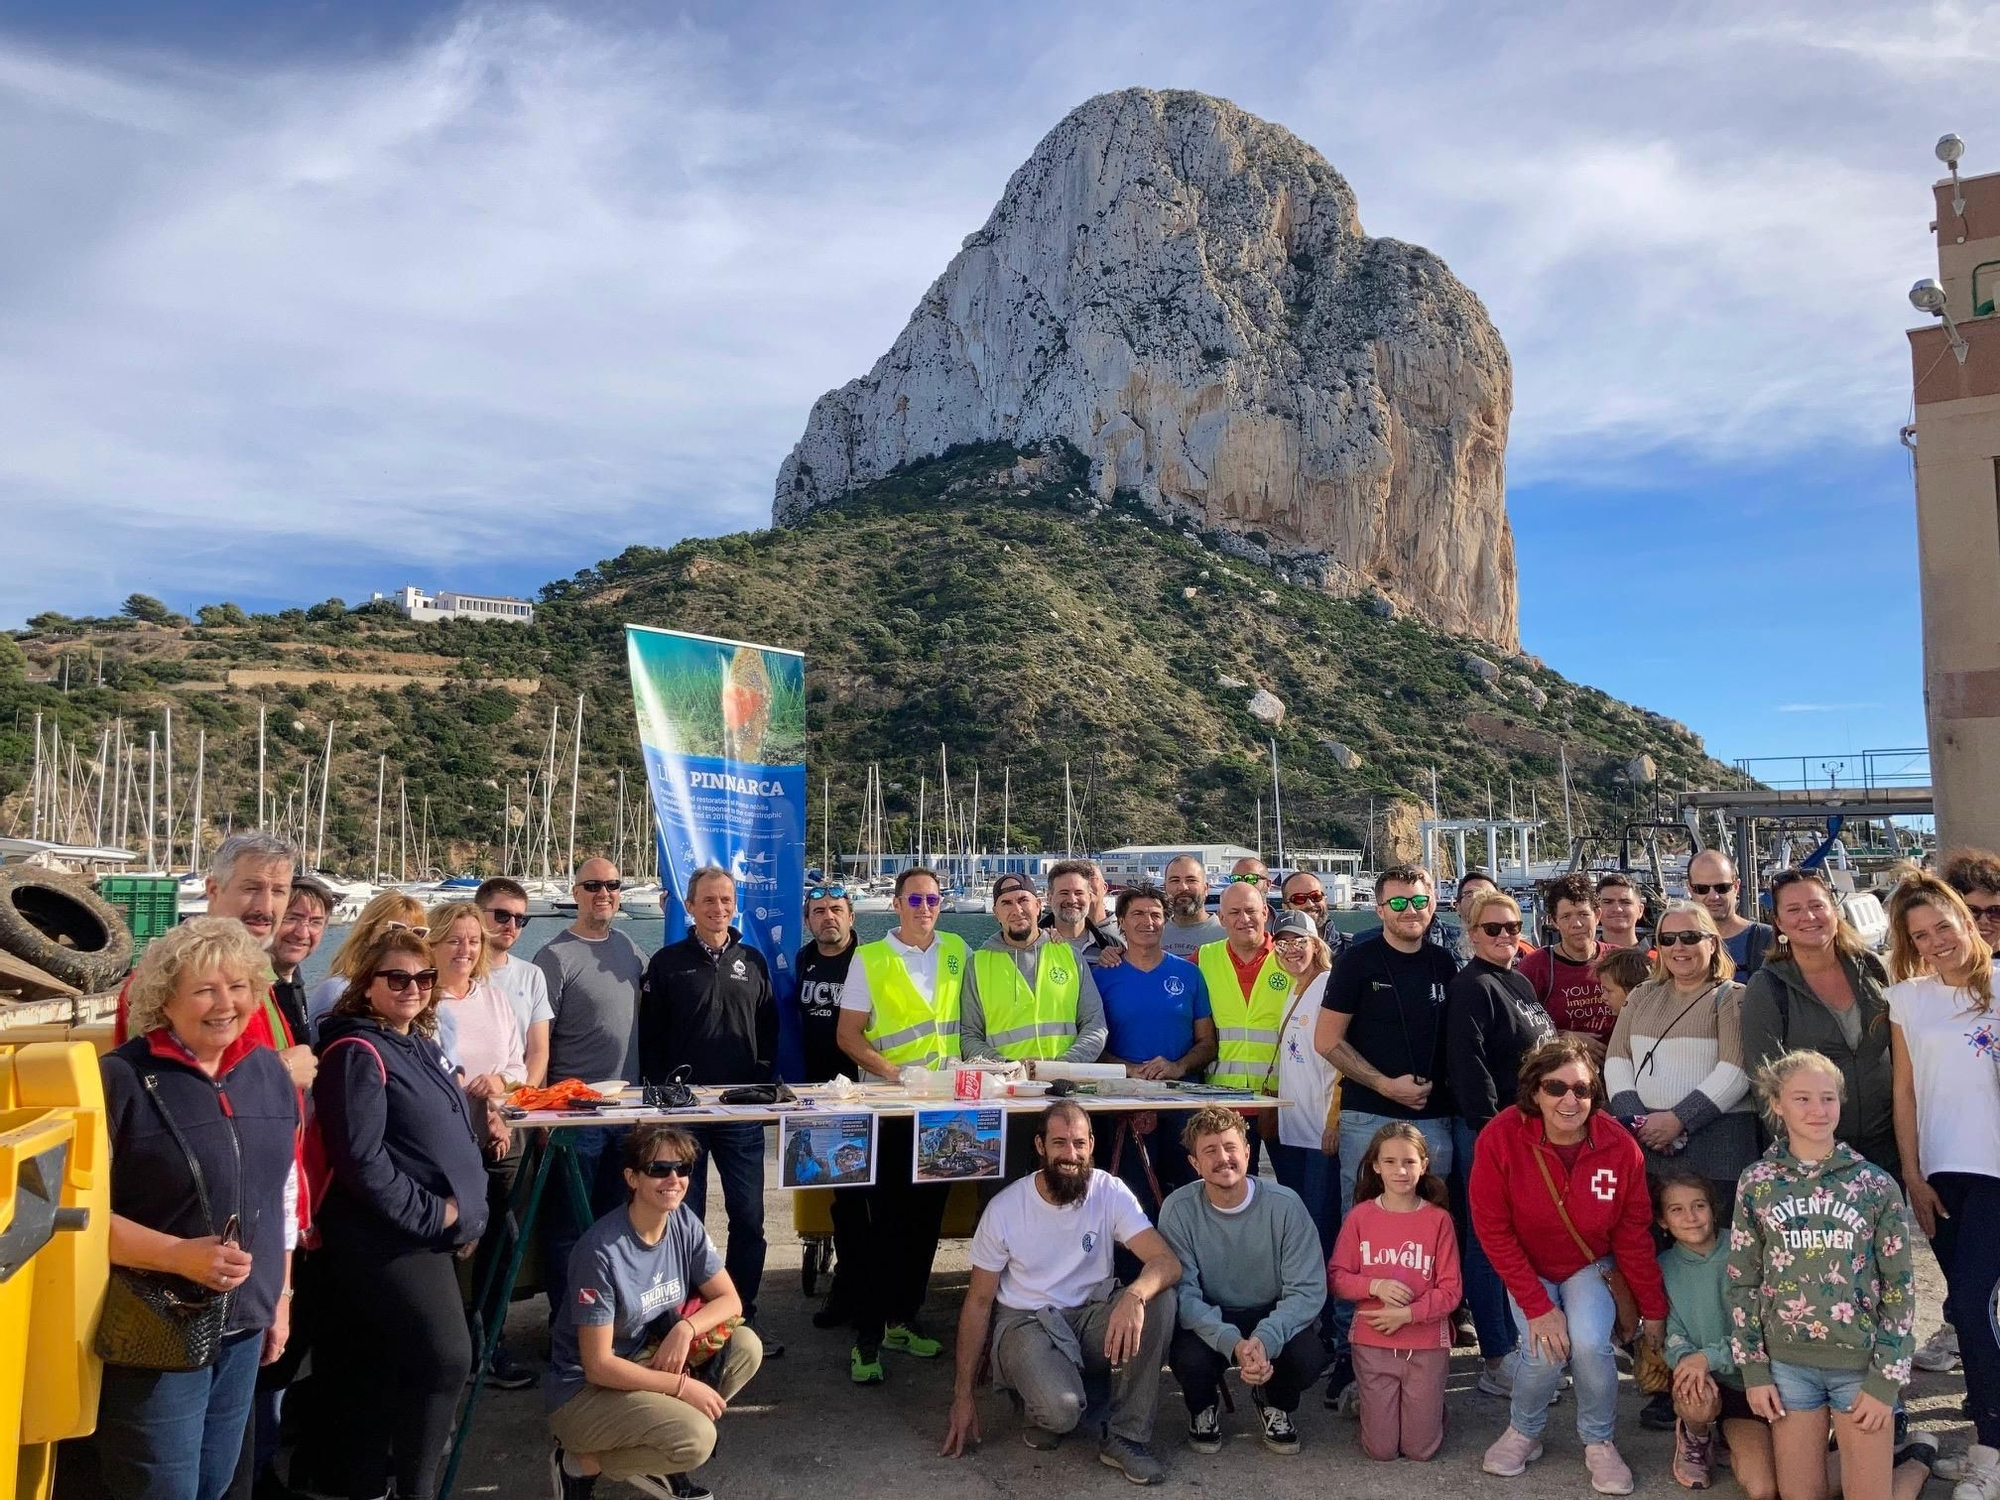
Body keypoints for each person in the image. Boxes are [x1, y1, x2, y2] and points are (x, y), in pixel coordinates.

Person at [93, 919, 298, 1500]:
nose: (224, 1004)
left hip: (245, 1323)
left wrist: (280, 1299)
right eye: (204, 990)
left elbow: (282, 1193)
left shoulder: (266, 1074)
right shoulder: (122, 1079)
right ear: (167, 999)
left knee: (215, 1485)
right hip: (157, 1325)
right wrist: (179, 1255)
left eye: (237, 987)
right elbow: (77, 1213)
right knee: (161, 1487)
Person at [313, 926, 489, 1500]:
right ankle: (417, 1490)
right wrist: (434, 1215)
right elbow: (361, 1160)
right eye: (397, 979)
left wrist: (467, 1213)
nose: (412, 988)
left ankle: (363, 1482)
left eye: (423, 978)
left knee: (382, 1363)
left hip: (429, 1233)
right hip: (389, 1237)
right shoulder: (356, 1051)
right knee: (447, 1357)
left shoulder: (417, 1041)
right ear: (367, 986)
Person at [940, 1102, 1182, 1486]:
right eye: (1059, 1143)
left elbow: (1166, 1262)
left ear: (1091, 1145)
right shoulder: (1005, 1209)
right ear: (1039, 1145)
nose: (1070, 1155)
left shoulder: (1109, 1191)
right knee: (1063, 1411)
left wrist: (1135, 1295)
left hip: (1090, 1315)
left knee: (1160, 1298)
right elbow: (978, 1303)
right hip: (1028, 1322)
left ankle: (1126, 1437)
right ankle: (1048, 1401)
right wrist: (962, 1395)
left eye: (1078, 1143)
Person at [1657, 1167, 1935, 1499]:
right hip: (1729, 1389)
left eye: (1698, 1205)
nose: (1690, 1216)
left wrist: (1710, 1355)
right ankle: (1700, 1436)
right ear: (1662, 1220)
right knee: (1763, 1488)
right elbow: (1668, 1332)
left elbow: (1764, 1322)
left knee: (1833, 1485)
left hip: (1773, 1376)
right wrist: (1690, 1360)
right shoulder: (1663, 1267)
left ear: (1713, 1208)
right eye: (1677, 1209)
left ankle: (1909, 1459)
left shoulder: (1743, 1247)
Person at [1469, 1037, 1666, 1494]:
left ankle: (1598, 1441)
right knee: (1541, 1350)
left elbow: (1633, 1232)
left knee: (1591, 1344)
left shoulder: (1619, 1146)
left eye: (1581, 1089)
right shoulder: (1501, 1136)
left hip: (1588, 1263)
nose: (1569, 1100)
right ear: (1534, 1091)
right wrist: (1538, 1306)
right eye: (1555, 1087)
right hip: (1527, 1264)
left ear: (1595, 1095)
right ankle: (1524, 1430)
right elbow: (1493, 1231)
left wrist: (1652, 1309)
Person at [1728, 1051, 1913, 1500]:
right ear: (1778, 1105)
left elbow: (1900, 1289)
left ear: (1840, 1103)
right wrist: (1754, 1369)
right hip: (1789, 1367)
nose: (1817, 1110)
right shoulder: (1757, 1183)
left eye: (1827, 1098)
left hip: (1859, 1363)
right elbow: (1742, 1281)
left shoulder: (1874, 1184)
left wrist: (1886, 1377)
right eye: (1803, 1098)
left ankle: (1915, 1465)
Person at [545, 1124, 764, 1500]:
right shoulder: (601, 1252)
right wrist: (681, 1387)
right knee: (696, 1440)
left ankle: (656, 1449)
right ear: (631, 1177)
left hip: (648, 1358)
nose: (674, 1179)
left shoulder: (681, 1221)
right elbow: (597, 1365)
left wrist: (685, 1330)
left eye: (682, 1168)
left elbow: (731, 1301)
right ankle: (579, 1463)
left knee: (745, 1345)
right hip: (584, 1390)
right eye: (659, 1169)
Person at [1313, 864, 1457, 1408]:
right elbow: (1327, 1039)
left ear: (1433, 903)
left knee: (1431, 1236)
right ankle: (1355, 1355)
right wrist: (1382, 1084)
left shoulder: (1446, 962)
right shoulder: (1358, 961)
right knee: (1366, 1236)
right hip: (1370, 1117)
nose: (1409, 912)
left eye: (1418, 901)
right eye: (1397, 904)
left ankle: (1424, 1346)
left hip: (1434, 1120)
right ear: (1379, 909)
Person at [1886, 875, 2000, 1498]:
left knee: (1979, 1310)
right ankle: (1991, 1432)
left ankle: (1991, 1449)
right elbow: (1904, 1091)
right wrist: (1913, 1173)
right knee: (1968, 1305)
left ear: (1965, 918)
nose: (1935, 942)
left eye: (1942, 926)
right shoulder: (1907, 998)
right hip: (1940, 1175)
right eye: (1919, 935)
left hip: (1997, 1173)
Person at [640, 867, 779, 1352]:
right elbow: (650, 1036)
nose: (718, 908)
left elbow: (768, 1028)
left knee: (748, 1218)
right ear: (690, 907)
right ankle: (687, 1318)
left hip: (739, 1112)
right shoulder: (666, 963)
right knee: (684, 1218)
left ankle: (742, 1313)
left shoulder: (753, 961)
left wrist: (760, 1081)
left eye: (726, 900)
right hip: (685, 1112)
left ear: (734, 904)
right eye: (708, 901)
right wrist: (661, 1095)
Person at [835, 866, 959, 1382]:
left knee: (925, 1225)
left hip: (944, 1112)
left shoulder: (958, 950)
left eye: (932, 898)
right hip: (889, 1110)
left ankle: (902, 1321)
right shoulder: (870, 958)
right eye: (914, 900)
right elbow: (848, 1036)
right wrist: (893, 1074)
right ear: (896, 904)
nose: (924, 907)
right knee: (882, 1226)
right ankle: (866, 1338)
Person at [1160, 1107, 1327, 1457]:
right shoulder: (1178, 1209)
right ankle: (1202, 1407)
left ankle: (1274, 1402)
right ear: (1194, 1163)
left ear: (1248, 1153)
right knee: (1187, 1356)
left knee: (1309, 1356)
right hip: (1212, 1312)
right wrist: (1234, 1343)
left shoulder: (1286, 1205)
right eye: (1210, 1151)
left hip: (1271, 1309)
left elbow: (1307, 1290)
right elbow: (1185, 1293)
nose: (1223, 1158)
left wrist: (1265, 1339)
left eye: (1231, 1147)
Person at [1444, 885, 1553, 1392]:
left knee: (1518, 1240)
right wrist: (1492, 1132)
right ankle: (1495, 1354)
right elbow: (1469, 1064)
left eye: (1512, 927)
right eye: (1493, 929)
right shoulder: (1474, 986)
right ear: (1471, 935)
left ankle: (1519, 1340)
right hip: (1491, 1133)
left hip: (1532, 1130)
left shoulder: (1518, 983)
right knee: (1488, 1241)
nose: (1505, 936)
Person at [113, 832, 318, 1093]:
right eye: (251, 888)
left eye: (278, 891)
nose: (266, 907)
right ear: (213, 889)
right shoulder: (169, 975)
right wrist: (281, 1071)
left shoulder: (260, 973)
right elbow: (160, 1090)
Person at [535, 858, 648, 1312]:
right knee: (566, 1228)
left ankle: (607, 1321)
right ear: (576, 892)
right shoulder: (553, 957)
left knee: (614, 1223)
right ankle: (566, 1329)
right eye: (593, 885)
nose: (604, 893)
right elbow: (537, 1043)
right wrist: (541, 1119)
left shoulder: (629, 949)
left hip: (624, 1117)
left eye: (613, 885)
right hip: (574, 1116)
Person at [429, 899, 533, 1391]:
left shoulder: (492, 997)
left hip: (500, 1142)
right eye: (454, 940)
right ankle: (446, 1354)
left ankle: (490, 1343)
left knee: (501, 1241)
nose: (465, 950)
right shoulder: (422, 1001)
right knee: (447, 1249)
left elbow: (517, 1068)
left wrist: (498, 1085)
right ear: (432, 943)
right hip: (445, 1153)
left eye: (473, 941)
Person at [250, 878, 332, 1499]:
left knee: (285, 1341)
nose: (302, 930)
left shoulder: (292, 990)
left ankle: (266, 1461)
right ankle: (253, 1473)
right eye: (294, 916)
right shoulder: (256, 993)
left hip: (296, 1193)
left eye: (315, 922)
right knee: (264, 1347)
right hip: (255, 1197)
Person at [1738, 869, 1897, 1172]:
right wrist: (1800, 1158)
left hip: (1885, 1148)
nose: (1808, 917)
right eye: (1794, 910)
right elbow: (1764, 1082)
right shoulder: (1768, 986)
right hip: (1813, 1154)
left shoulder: (1871, 968)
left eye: (1817, 906)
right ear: (1780, 924)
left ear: (1834, 912)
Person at [1327, 1122, 1461, 1463]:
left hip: (1426, 1344)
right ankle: (1378, 1405)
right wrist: (1374, 1285)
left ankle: (1430, 1409)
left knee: (1419, 1451)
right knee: (1381, 1451)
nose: (1400, 1170)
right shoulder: (1360, 1217)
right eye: (1389, 1162)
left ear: (1424, 1165)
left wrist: (1408, 1313)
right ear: (1375, 1165)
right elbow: (1337, 1278)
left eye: (1409, 1162)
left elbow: (1451, 1290)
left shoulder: (1438, 1221)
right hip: (1373, 1343)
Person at [1604, 901, 1755, 1195]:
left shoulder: (1732, 997)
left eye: (1689, 937)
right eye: (1667, 939)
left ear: (1711, 943)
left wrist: (1679, 1119)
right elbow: (1617, 1059)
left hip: (1717, 1152)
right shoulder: (1642, 994)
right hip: (1648, 1151)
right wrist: (1638, 1122)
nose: (1678, 947)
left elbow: (1735, 1071)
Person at [1922, 847, 2000, 1377]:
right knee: (1970, 1281)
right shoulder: (1926, 987)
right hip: (1950, 1157)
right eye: (1973, 912)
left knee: (1980, 1287)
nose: (1986, 923)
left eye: (1997, 911)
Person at [1093, 883, 1216, 1213]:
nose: (1147, 921)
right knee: (1131, 1199)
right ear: (1120, 921)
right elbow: (1091, 1044)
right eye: (1137, 914)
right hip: (1122, 1103)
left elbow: (1207, 1044)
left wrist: (1177, 1066)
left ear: (1166, 921)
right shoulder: (1101, 976)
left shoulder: (1189, 974)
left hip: (1182, 1103)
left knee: (1191, 1197)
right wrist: (1129, 1070)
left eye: (1156, 914)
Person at [961, 873, 1107, 1065]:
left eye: (1023, 900)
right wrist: (1006, 1067)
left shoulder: (1070, 956)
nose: (1017, 910)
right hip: (1005, 1085)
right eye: (1006, 903)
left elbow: (1094, 1025)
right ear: (996, 912)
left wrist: (1066, 1065)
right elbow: (968, 1035)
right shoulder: (976, 965)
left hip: (1066, 1082)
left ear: (1038, 906)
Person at [1266, 911, 1341, 1268]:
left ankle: (1325, 1314)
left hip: (1318, 1133)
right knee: (1301, 1226)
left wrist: (1335, 1121)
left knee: (1320, 1229)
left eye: (1299, 942)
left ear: (1316, 944)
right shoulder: (1295, 989)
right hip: (1293, 1129)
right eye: (1283, 943)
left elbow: (1342, 1060)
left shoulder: (1328, 985)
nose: (1291, 950)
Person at [306, 890, 430, 1040]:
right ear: (366, 935)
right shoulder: (336, 990)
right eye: (396, 930)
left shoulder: (419, 995)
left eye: (417, 934)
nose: (405, 942)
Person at [1518, 873, 1614, 1052]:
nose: (1576, 924)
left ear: (1597, 915)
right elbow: (1519, 1030)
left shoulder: (1618, 960)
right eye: (1566, 917)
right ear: (1554, 921)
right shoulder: (1535, 968)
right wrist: (1563, 1038)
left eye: (1584, 914)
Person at [477, 876, 552, 1089]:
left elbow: (538, 1052)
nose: (511, 925)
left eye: (519, 919)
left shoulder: (532, 976)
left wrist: (520, 1103)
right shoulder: (456, 974)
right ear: (478, 915)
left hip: (515, 1106)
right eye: (502, 915)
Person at [1688, 849, 1775, 977]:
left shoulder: (1767, 939)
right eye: (1702, 889)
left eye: (1721, 887)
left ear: (1736, 887)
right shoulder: (1674, 942)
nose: (1713, 896)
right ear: (1690, 889)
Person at [1046, 859, 1120, 964]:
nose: (1072, 900)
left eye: (1078, 893)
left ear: (1089, 897)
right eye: (1064, 893)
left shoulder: (1111, 946)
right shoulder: (1035, 942)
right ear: (1049, 897)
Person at [1160, 854, 1225, 960]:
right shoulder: (1152, 934)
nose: (1183, 887)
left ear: (1206, 888)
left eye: (1191, 880)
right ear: (1165, 888)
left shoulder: (1227, 933)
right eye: (1175, 880)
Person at [1280, 869, 1350, 958]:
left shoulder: (1352, 951)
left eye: (1316, 896)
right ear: (1285, 908)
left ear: (1325, 900)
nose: (1310, 904)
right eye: (1299, 899)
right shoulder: (1275, 954)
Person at [1589, 946, 1651, 1028]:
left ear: (1632, 990)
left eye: (1608, 991)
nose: (1603, 997)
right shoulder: (1626, 1023)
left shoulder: (1647, 1028)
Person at [1594, 873, 1647, 952]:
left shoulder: (1660, 961)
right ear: (1596, 911)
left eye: (1626, 902)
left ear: (1640, 910)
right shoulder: (1583, 960)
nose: (1617, 909)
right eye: (1608, 902)